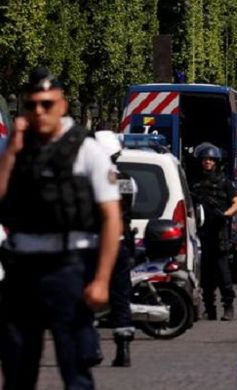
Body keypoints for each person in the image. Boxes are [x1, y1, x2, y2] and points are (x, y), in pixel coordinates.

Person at [0, 68, 122, 389]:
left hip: (68, 267)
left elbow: (111, 217)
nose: (39, 112)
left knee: (75, 366)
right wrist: (12, 150)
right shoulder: (16, 148)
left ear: (62, 105)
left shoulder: (86, 149)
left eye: (47, 104)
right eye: (32, 105)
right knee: (16, 368)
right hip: (21, 269)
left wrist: (101, 280)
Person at [94, 131, 136, 367]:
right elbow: (129, 212)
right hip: (120, 243)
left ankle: (92, 346)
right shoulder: (127, 180)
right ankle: (124, 348)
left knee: (88, 296)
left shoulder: (90, 179)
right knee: (121, 298)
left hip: (96, 244)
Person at [190, 143, 237, 321]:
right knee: (205, 275)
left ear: (216, 162)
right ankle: (209, 308)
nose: (208, 163)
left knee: (223, 273)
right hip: (201, 233)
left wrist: (225, 215)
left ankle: (228, 306)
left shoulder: (224, 182)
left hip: (219, 233)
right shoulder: (195, 182)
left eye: (211, 160)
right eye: (205, 159)